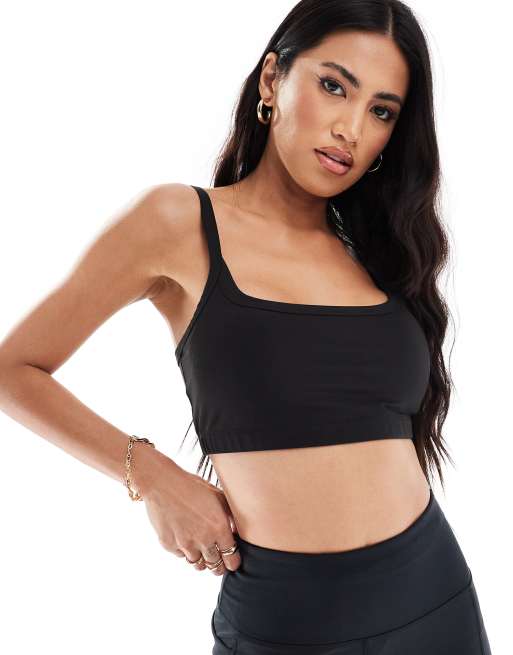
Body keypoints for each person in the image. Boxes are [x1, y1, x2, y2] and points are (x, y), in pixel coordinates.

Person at [0, 0, 493, 653]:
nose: (350, 127)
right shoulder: (179, 223)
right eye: (333, 86)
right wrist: (150, 473)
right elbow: (13, 369)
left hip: (433, 600)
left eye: (381, 111)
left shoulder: (376, 253)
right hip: (283, 623)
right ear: (271, 79)